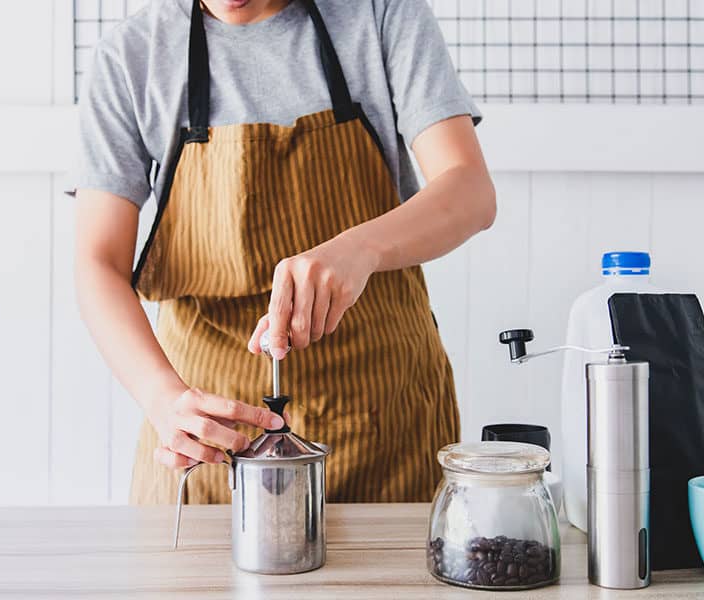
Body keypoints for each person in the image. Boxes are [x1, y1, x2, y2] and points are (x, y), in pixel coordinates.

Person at [71, 0, 495, 504]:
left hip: (386, 427)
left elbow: (470, 190)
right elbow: (98, 262)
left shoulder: (380, 15)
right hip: (212, 446)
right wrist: (163, 398)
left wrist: (360, 248)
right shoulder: (131, 55)